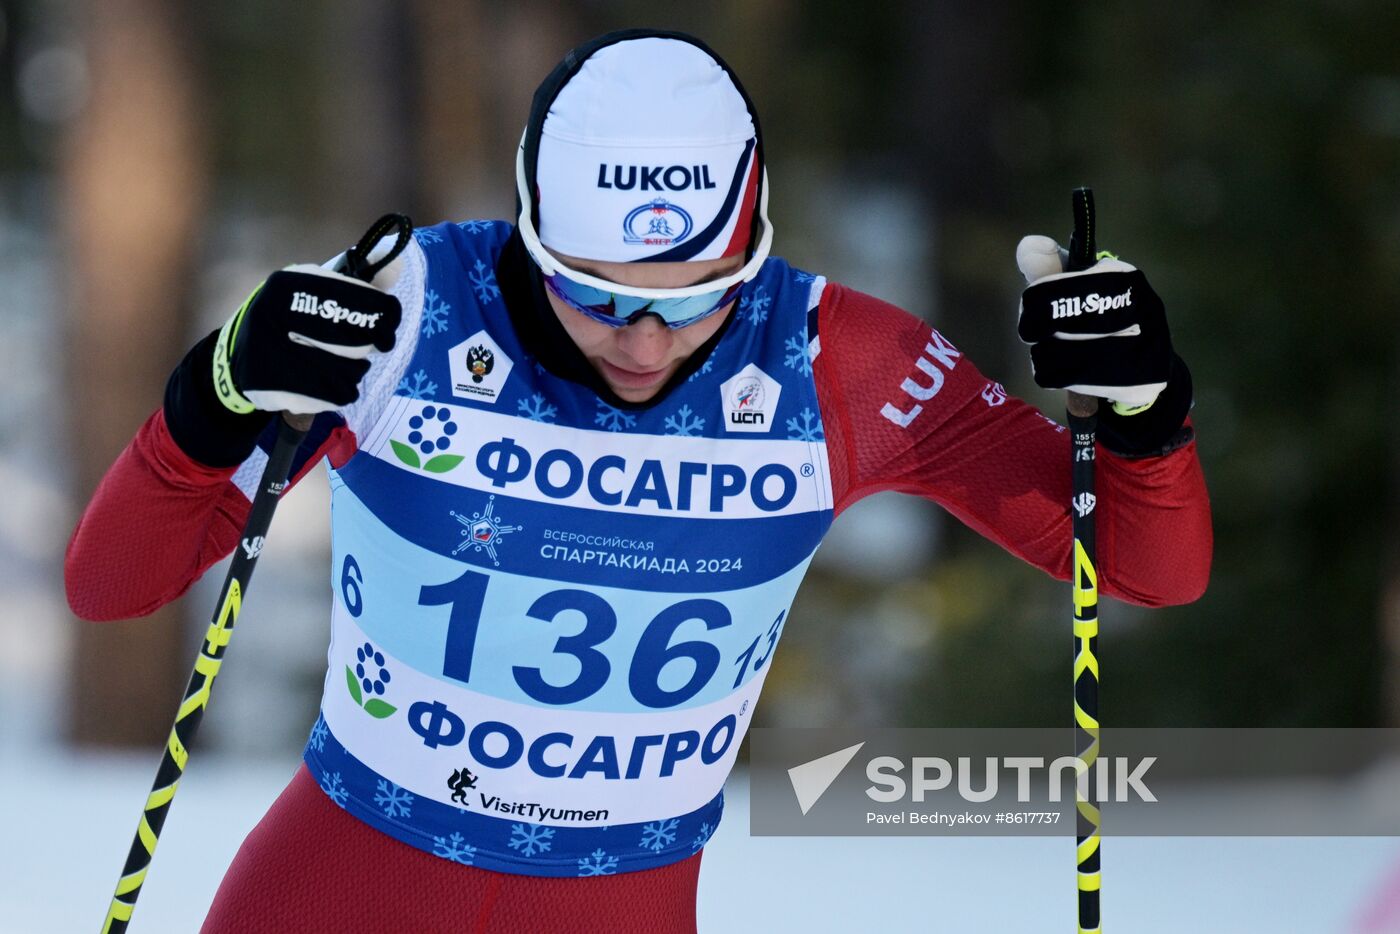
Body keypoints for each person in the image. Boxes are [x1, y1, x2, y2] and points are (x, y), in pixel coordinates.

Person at [66, 28, 1211, 934]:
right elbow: (111, 583)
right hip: (334, 892)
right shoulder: (409, 311)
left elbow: (1147, 570)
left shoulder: (841, 365)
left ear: (755, 240)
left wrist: (1145, 407)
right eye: (596, 293)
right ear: (529, 235)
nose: (644, 343)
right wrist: (219, 385)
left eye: (692, 296)